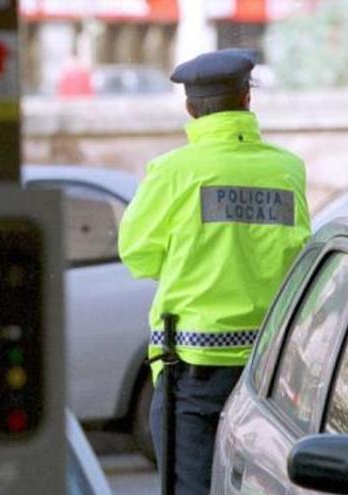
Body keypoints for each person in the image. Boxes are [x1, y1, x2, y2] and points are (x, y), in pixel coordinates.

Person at [117, 48, 311, 494]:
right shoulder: (287, 170)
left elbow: (136, 254)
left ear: (190, 109)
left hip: (192, 373)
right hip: (269, 370)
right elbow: (297, 254)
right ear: (247, 100)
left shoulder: (172, 173)